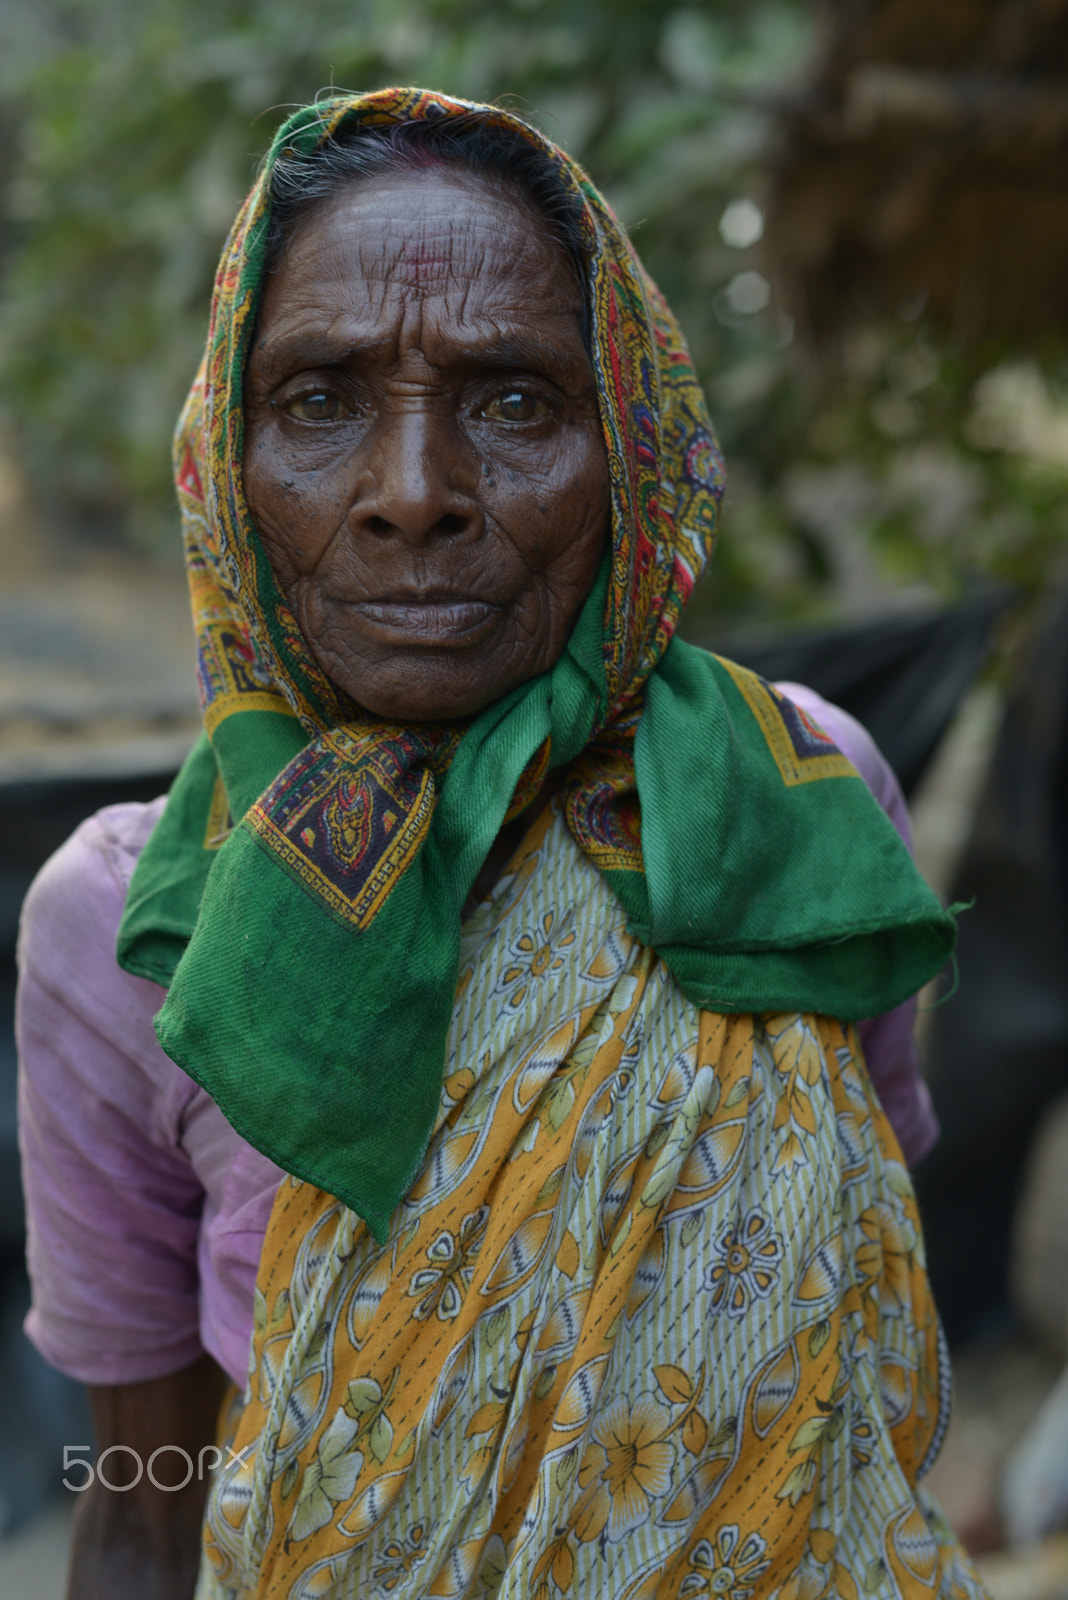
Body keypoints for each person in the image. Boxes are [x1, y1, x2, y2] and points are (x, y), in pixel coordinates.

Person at [16, 87, 982, 1600]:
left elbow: (846, 1331)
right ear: (229, 464)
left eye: (516, 402)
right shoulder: (129, 917)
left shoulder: (794, 798)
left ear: (635, 452)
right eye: (321, 401)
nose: (413, 496)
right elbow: (139, 1487)